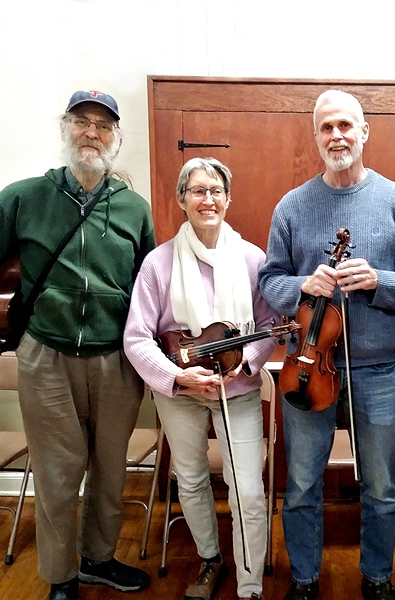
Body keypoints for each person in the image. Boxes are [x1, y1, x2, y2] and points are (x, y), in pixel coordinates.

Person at [259, 90, 395, 600]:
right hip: (306, 368)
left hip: (377, 370)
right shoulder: (292, 207)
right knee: (299, 485)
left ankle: (378, 578)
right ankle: (304, 579)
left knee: (381, 485)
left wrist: (379, 281)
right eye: (326, 128)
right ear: (315, 137)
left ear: (364, 132)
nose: (336, 135)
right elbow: (270, 282)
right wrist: (301, 287)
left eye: (345, 125)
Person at [0, 90, 156, 600]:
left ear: (116, 139)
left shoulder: (134, 208)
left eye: (103, 126)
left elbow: (149, 284)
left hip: (117, 359)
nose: (92, 133)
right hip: (46, 356)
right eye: (82, 122)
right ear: (65, 129)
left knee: (111, 469)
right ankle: (61, 577)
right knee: (58, 472)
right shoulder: (22, 196)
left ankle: (100, 559)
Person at [124, 157, 276, 600]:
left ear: (228, 199)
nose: (207, 199)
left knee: (247, 489)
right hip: (179, 394)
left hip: (239, 391)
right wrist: (178, 377)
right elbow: (137, 339)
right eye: (197, 191)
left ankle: (250, 583)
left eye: (215, 191)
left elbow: (268, 325)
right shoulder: (158, 263)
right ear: (181, 200)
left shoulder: (252, 259)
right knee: (189, 479)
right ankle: (212, 561)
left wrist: (243, 365)